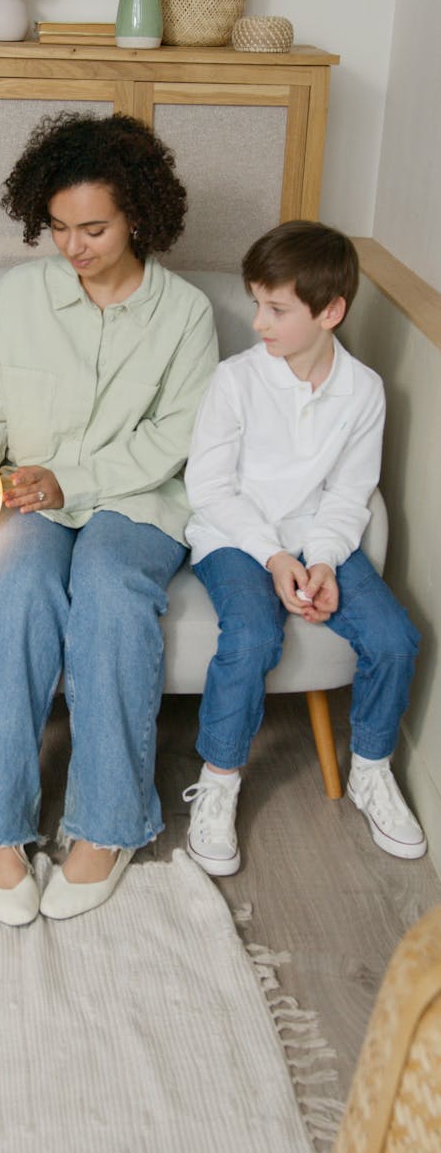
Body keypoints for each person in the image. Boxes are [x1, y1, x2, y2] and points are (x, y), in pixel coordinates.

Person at [0, 111, 218, 925]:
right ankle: (1, 829)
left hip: (138, 500)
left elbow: (175, 438)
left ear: (139, 216)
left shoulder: (184, 315)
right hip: (22, 497)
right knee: (11, 587)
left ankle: (107, 825)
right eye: (57, 228)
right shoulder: (16, 299)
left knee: (112, 587)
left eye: (93, 228)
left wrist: (69, 478)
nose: (72, 246)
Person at [183, 219, 426, 876]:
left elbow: (351, 494)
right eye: (257, 302)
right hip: (234, 535)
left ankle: (372, 769)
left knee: (396, 637)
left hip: (319, 536)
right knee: (254, 636)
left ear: (331, 311)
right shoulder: (235, 380)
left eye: (276, 308)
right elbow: (208, 487)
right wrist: (274, 556)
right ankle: (220, 779)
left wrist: (320, 559)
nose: (258, 320)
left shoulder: (364, 392)